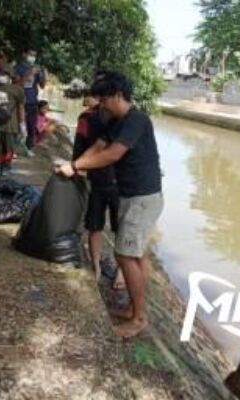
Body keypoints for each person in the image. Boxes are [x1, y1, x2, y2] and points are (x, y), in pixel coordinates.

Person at [56, 71, 163, 338]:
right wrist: (76, 165)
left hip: (142, 198)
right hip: (131, 196)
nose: (100, 104)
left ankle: (138, 318)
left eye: (104, 99)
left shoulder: (136, 120)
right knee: (132, 255)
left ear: (118, 95)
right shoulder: (119, 121)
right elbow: (99, 145)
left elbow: (113, 154)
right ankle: (133, 309)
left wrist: (75, 165)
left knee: (126, 256)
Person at [72, 93, 125, 289]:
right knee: (95, 225)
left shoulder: (122, 119)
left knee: (121, 229)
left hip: (120, 182)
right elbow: (79, 145)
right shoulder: (86, 119)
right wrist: (76, 167)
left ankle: (121, 272)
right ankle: (97, 266)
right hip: (97, 179)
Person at [0, 68, 26, 176]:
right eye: (0, 74)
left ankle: (6, 167)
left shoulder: (17, 89)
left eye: (4, 74)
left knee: (9, 146)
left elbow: (21, 107)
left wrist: (22, 124)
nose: (1, 76)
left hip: (11, 124)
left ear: (10, 77)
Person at [14, 48, 46, 153]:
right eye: (30, 54)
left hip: (32, 101)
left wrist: (43, 74)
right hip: (20, 101)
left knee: (31, 126)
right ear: (24, 54)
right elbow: (17, 84)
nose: (33, 57)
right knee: (18, 125)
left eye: (34, 55)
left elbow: (42, 85)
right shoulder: (18, 68)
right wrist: (29, 73)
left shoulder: (36, 68)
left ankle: (29, 148)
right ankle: (13, 148)